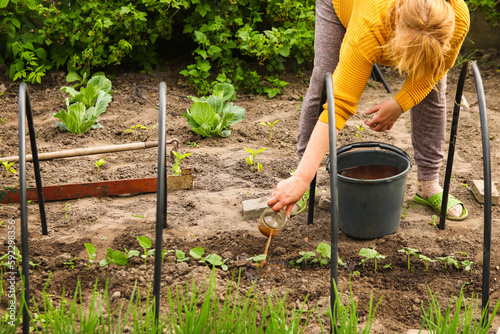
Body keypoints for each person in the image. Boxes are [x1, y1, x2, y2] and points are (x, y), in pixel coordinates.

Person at [267, 0, 470, 220]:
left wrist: (400, 103)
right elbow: (340, 103)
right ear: (397, 16)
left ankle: (428, 184)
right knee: (324, 81)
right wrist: (301, 178)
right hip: (340, 5)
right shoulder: (372, 19)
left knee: (434, 91)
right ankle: (302, 180)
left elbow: (431, 74)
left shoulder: (457, 17)